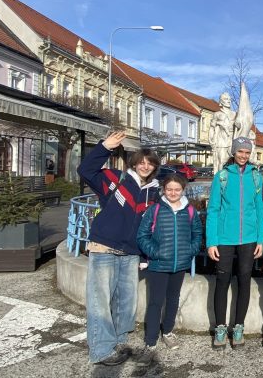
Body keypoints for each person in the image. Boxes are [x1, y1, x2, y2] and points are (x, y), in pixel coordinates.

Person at [77, 131, 161, 366]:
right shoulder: (116, 179)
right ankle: (101, 350)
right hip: (105, 245)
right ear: (134, 163)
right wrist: (104, 147)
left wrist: (145, 253)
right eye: (141, 162)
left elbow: (151, 227)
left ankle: (120, 339)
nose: (145, 166)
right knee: (100, 299)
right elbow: (85, 171)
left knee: (126, 300)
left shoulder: (154, 192)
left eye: (150, 163)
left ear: (155, 167)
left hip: (132, 252)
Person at [134, 173, 202, 365]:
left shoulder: (189, 210)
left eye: (177, 189)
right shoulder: (155, 210)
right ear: (164, 190)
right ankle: (150, 341)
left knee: (173, 300)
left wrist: (190, 250)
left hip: (179, 264)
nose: (173, 192)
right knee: (155, 302)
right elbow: (142, 235)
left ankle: (169, 331)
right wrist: (154, 253)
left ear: (183, 190)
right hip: (158, 265)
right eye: (169, 189)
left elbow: (197, 233)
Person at [206, 137, 263, 350]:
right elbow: (212, 210)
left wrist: (261, 239)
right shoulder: (221, 177)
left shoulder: (256, 177)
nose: (243, 156)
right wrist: (211, 242)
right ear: (233, 152)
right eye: (240, 151)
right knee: (222, 282)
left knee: (244, 281)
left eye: (247, 152)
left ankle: (238, 326)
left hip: (249, 240)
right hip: (224, 239)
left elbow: (260, 210)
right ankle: (221, 327)